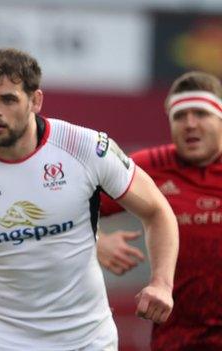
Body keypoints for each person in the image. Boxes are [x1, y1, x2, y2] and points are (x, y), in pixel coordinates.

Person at [0, 48, 179, 350]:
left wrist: (162, 283)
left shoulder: (84, 147)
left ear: (36, 101)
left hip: (87, 341)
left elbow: (158, 211)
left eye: (8, 99)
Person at [97, 71, 222, 350]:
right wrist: (97, 242)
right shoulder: (150, 167)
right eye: (180, 116)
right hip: (177, 339)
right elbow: (66, 206)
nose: (189, 124)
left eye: (200, 114)